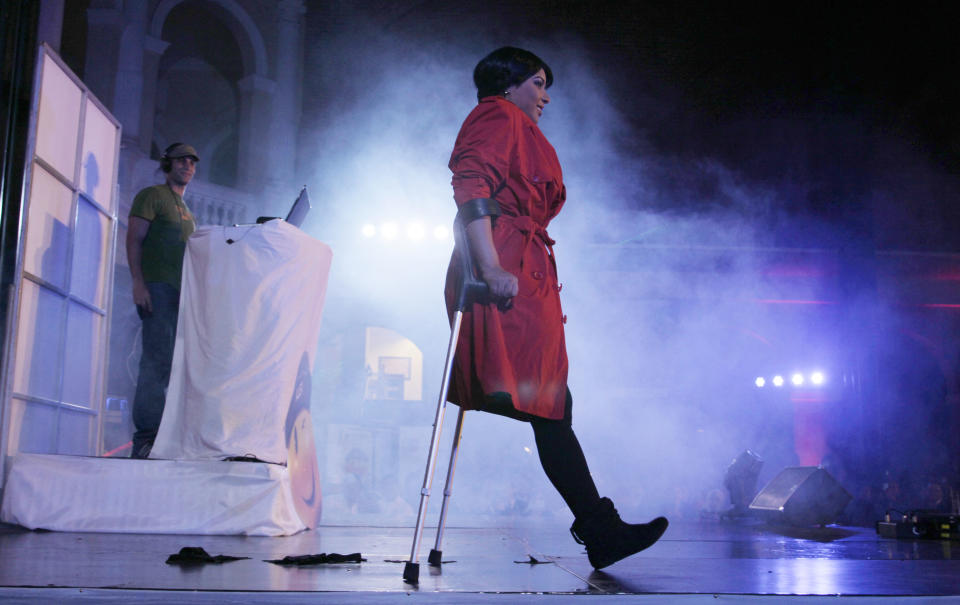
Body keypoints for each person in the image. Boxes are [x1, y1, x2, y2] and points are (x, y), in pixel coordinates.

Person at [444, 47, 668, 569]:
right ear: (511, 83)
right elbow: (471, 185)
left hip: (525, 270)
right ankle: (600, 528)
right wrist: (492, 265)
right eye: (539, 83)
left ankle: (600, 528)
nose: (545, 96)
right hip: (506, 269)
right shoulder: (496, 114)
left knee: (553, 405)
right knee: (549, 403)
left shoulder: (520, 126)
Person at [126, 142, 198, 458]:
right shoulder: (152, 195)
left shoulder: (187, 212)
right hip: (156, 288)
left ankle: (163, 436)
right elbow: (133, 239)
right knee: (154, 361)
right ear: (167, 164)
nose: (188, 166)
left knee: (169, 364)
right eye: (181, 160)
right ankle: (145, 438)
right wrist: (138, 283)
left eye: (192, 162)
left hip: (179, 295)